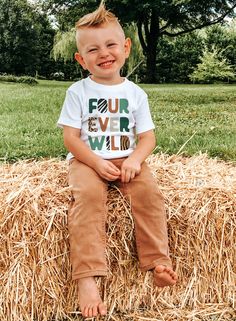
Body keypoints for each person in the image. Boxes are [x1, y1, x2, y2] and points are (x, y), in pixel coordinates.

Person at [57, 2, 177, 318]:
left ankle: (158, 261)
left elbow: (147, 138)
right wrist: (95, 163)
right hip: (87, 160)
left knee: (150, 195)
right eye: (93, 50)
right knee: (88, 199)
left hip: (126, 158)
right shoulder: (78, 91)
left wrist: (136, 161)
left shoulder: (135, 93)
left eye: (111, 45)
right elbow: (70, 138)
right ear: (81, 60)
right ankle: (87, 278)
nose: (104, 53)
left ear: (125, 48)